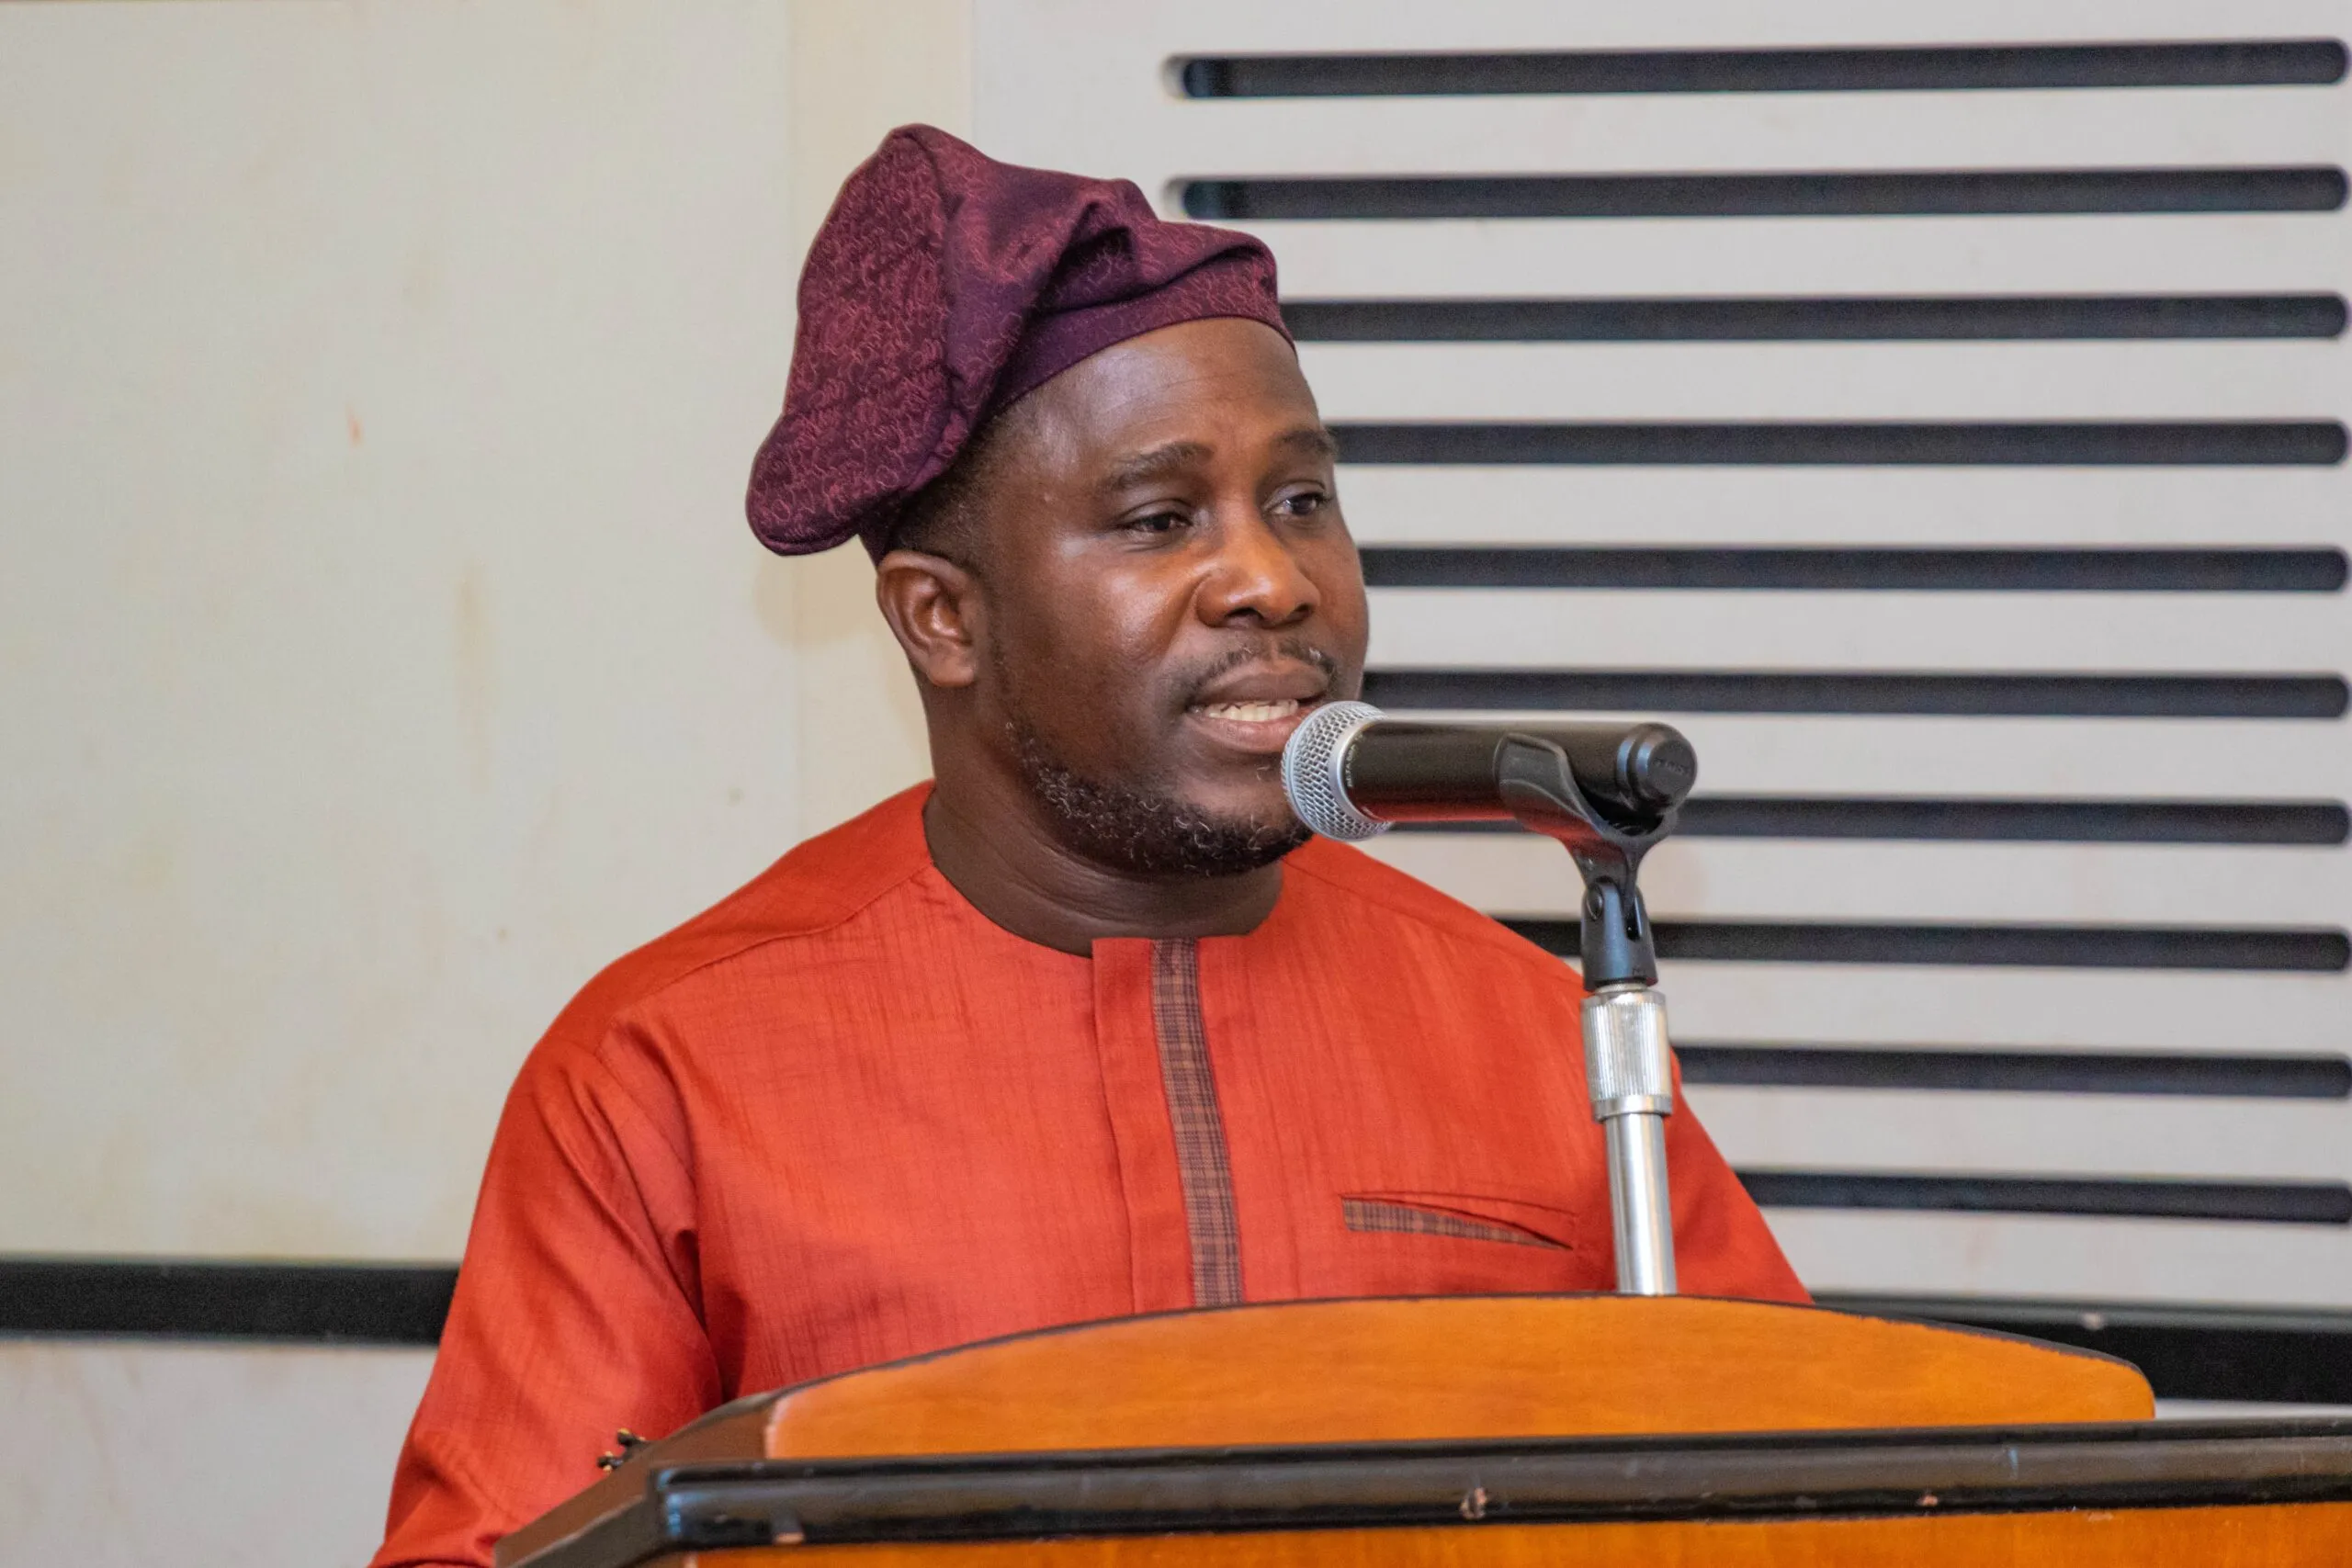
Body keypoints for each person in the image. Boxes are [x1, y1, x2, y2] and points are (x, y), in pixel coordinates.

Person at [370, 126, 1804, 1568]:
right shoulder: (667, 1073)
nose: (1272, 581)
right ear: (944, 618)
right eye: (1160, 518)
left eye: (1301, 501)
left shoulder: (1536, 1028)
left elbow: (1818, 1498)